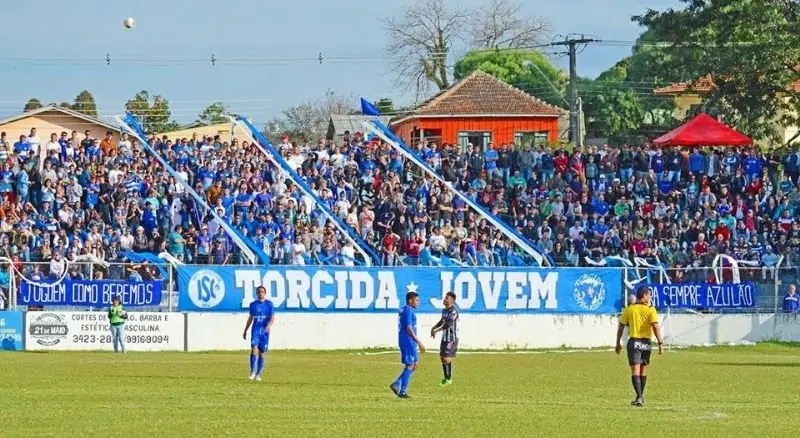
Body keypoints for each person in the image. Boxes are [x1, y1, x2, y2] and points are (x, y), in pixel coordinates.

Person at [615, 286, 664, 406]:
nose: (650, 296)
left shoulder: (629, 309)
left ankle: (639, 396)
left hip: (634, 342)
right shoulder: (651, 309)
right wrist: (660, 343)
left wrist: (617, 342)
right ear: (644, 295)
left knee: (635, 370)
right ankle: (640, 397)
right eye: (649, 294)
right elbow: (655, 326)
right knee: (643, 369)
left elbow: (621, 326)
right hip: (646, 343)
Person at [390, 291, 425, 398]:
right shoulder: (408, 311)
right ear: (410, 300)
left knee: (414, 364)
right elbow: (408, 328)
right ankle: (402, 391)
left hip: (407, 341)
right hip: (408, 341)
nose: (418, 302)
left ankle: (397, 384)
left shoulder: (404, 310)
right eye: (417, 300)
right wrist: (419, 342)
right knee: (411, 365)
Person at [242, 286, 275, 382]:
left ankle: (258, 374)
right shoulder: (253, 305)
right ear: (257, 293)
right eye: (259, 292)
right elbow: (250, 318)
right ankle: (252, 371)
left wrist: (269, 326)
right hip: (255, 330)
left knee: (262, 353)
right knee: (254, 349)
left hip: (264, 332)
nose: (260, 293)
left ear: (265, 293)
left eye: (262, 292)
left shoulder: (269, 304)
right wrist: (245, 330)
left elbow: (272, 317)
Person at [430, 291, 458, 386]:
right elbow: (442, 321)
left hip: (451, 338)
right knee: (442, 357)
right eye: (445, 297)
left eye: (447, 298)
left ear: (452, 300)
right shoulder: (444, 310)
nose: (444, 299)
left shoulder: (453, 312)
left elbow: (447, 325)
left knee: (446, 358)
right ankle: (446, 378)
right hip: (444, 338)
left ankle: (448, 379)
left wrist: (436, 331)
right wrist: (433, 327)